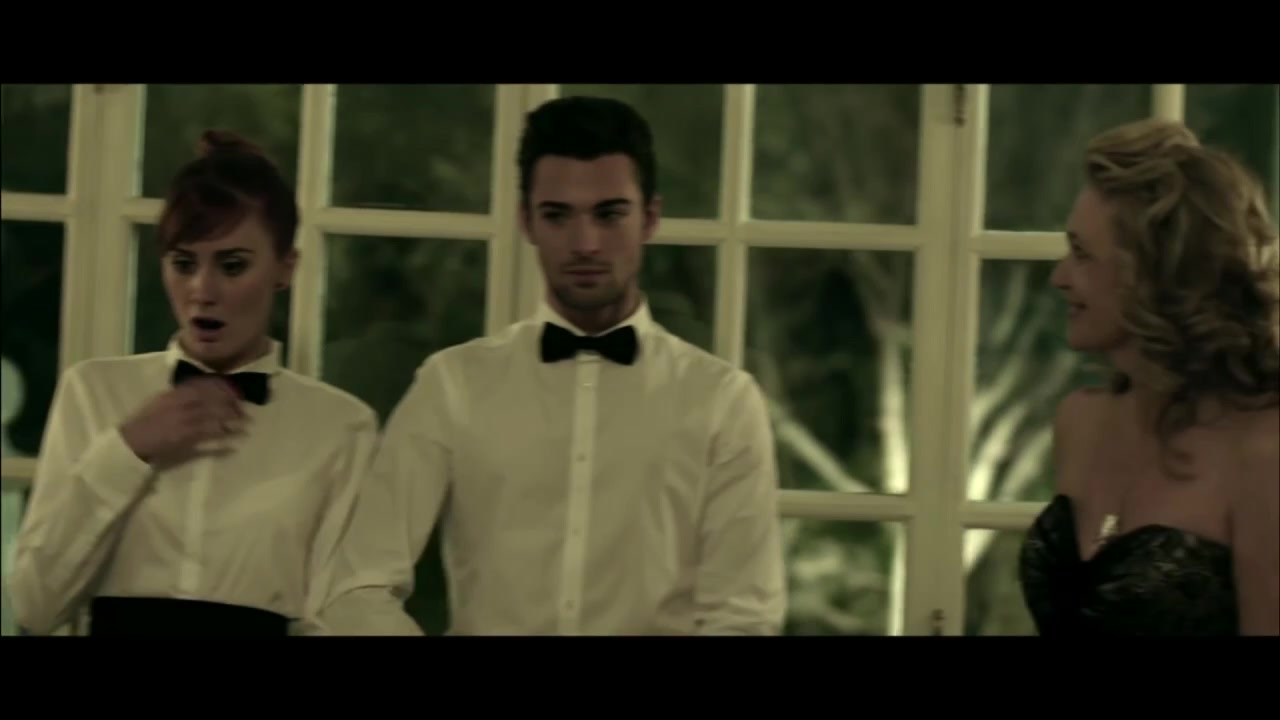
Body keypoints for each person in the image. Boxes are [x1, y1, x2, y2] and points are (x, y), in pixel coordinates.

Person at [321, 95, 787, 635]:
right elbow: (359, 586)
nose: (585, 243)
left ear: (650, 218)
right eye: (557, 215)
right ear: (526, 221)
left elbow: (744, 616)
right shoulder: (453, 385)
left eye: (609, 214)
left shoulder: (722, 401)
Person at [8, 130, 378, 636]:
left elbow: (338, 615)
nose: (202, 290)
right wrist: (127, 449)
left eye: (232, 265)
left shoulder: (341, 427)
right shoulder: (94, 391)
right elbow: (34, 607)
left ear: (285, 268)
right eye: (183, 264)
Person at [1019, 118, 1280, 636]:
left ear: (1153, 275)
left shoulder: (1263, 452)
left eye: (1082, 254)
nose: (1059, 277)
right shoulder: (1079, 421)